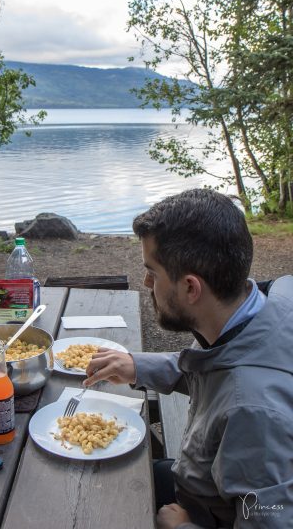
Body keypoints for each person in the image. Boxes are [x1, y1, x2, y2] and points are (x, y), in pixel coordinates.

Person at [84, 189, 293, 529]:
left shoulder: (253, 413)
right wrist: (138, 366)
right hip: (201, 486)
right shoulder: (276, 302)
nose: (147, 282)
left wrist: (181, 527)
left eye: (153, 271)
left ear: (191, 289)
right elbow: (221, 366)